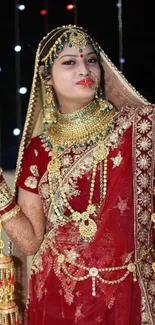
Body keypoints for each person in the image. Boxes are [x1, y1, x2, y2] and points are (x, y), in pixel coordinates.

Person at [0, 24, 155, 325]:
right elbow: (30, 242)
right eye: (69, 62)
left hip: (127, 292)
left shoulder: (141, 127)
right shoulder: (38, 149)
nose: (84, 68)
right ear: (47, 77)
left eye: (91, 59)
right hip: (59, 297)